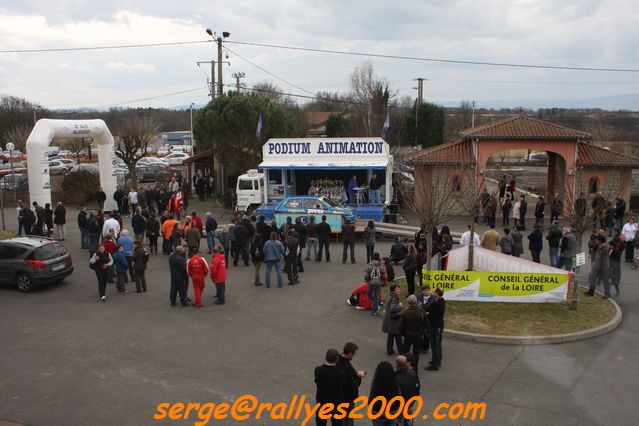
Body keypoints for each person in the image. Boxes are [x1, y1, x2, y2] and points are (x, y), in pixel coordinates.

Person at [314, 348, 346, 426]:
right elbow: (344, 385)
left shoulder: (318, 370)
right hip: (336, 403)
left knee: (321, 423)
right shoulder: (340, 373)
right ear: (336, 360)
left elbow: (316, 381)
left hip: (322, 402)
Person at [335, 342, 365, 426]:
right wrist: (359, 377)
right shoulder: (346, 366)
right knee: (348, 417)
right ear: (350, 353)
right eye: (353, 354)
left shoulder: (338, 359)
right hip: (347, 398)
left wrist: (355, 373)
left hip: (339, 395)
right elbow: (353, 385)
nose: (353, 356)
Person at [368, 361, 401, 426]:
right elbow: (398, 399)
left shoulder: (376, 384)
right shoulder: (394, 384)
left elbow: (371, 399)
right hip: (391, 412)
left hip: (377, 412)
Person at [400, 295, 427, 370]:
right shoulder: (421, 312)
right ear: (416, 302)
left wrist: (402, 334)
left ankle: (404, 367)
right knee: (416, 352)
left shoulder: (405, 313)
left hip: (407, 335)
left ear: (408, 302)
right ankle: (415, 368)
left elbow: (401, 325)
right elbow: (425, 324)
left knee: (405, 351)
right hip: (418, 335)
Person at [395, 355, 421, 426]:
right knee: (409, 421)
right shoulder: (413, 373)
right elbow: (417, 388)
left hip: (400, 406)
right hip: (410, 403)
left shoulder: (396, 377)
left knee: (399, 421)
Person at [425, 287, 445, 371]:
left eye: (434, 292)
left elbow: (427, 309)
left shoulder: (435, 303)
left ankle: (435, 364)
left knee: (434, 345)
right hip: (440, 325)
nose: (432, 292)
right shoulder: (442, 301)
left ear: (437, 293)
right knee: (438, 343)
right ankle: (438, 359)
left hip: (434, 326)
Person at [382, 284, 403, 355]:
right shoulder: (394, 298)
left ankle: (390, 351)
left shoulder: (390, 296)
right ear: (393, 290)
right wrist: (399, 306)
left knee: (390, 336)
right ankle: (401, 351)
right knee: (398, 336)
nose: (399, 290)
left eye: (399, 288)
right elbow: (393, 309)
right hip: (394, 321)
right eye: (397, 289)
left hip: (389, 320)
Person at [366, 252, 387, 317]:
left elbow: (367, 274)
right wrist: (383, 281)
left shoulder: (370, 264)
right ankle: (374, 311)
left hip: (371, 282)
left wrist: (367, 280)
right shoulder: (380, 265)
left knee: (368, 294)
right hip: (378, 282)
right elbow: (384, 274)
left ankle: (376, 302)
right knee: (376, 296)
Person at [417, 286, 435, 353]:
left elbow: (431, 308)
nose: (426, 291)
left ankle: (425, 348)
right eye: (425, 290)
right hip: (420, 318)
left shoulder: (433, 298)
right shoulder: (419, 297)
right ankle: (420, 346)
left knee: (427, 334)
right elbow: (418, 306)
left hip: (429, 319)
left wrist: (424, 308)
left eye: (428, 290)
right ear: (422, 291)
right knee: (419, 333)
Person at [608, 227, 624, 297]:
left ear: (616, 232)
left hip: (615, 260)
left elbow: (612, 243)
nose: (612, 232)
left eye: (613, 231)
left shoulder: (617, 239)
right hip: (613, 259)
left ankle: (617, 291)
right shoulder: (617, 238)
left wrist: (611, 246)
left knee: (613, 275)